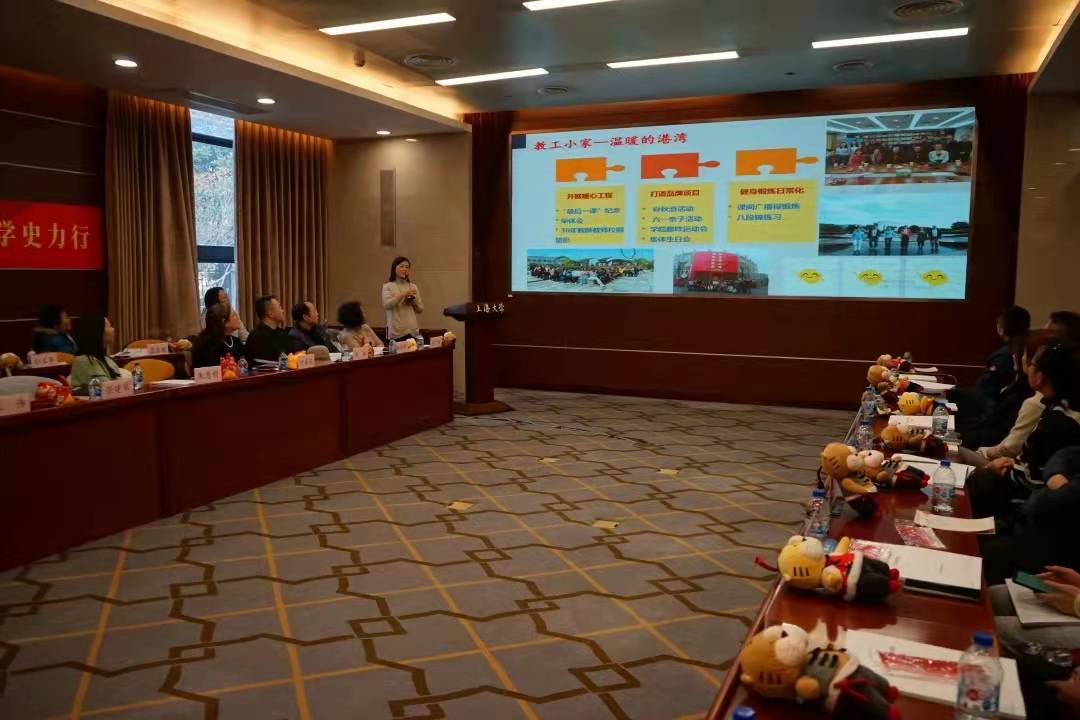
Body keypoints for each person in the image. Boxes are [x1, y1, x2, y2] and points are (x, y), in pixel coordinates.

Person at [966, 341, 1080, 520]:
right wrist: (1013, 463)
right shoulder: (1058, 408)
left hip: (1023, 506)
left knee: (973, 482)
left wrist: (1006, 468)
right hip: (1015, 478)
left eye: (1031, 363)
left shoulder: (1060, 420)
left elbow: (1035, 478)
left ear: (1041, 376)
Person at [957, 330, 1052, 464]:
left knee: (951, 449)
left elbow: (1009, 447)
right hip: (1000, 452)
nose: (1014, 357)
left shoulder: (1034, 401)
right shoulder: (1025, 390)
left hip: (1006, 462)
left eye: (1024, 355)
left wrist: (981, 451)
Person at [69, 313, 129, 390]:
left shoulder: (106, 359)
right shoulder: (85, 361)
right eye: (109, 326)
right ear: (98, 331)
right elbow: (107, 388)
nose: (113, 329)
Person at [382, 256, 424, 342]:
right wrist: (403, 294)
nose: (404, 269)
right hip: (396, 333)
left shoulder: (413, 286)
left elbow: (420, 309)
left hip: (412, 331)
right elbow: (387, 305)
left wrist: (412, 302)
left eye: (407, 267)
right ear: (394, 269)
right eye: (401, 266)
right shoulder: (388, 286)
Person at [192, 303, 246, 368]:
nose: (238, 317)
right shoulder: (208, 345)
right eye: (234, 315)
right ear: (224, 322)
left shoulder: (236, 341)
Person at [245, 294, 290, 364]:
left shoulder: (282, 333)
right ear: (270, 313)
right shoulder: (257, 337)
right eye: (279, 307)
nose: (283, 311)